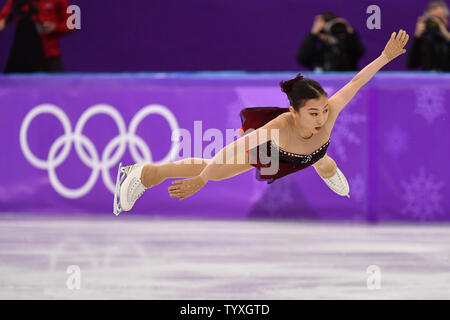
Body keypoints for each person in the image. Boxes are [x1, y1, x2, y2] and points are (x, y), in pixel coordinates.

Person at [112, 29, 409, 215]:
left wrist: (384, 56)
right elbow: (231, 150)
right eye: (313, 113)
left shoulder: (329, 111)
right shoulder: (276, 128)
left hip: (311, 152)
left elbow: (356, 82)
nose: (322, 118)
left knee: (321, 159)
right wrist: (202, 178)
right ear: (294, 112)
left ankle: (326, 169)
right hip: (274, 153)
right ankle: (144, 173)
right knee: (214, 172)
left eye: (323, 111)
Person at [0, 0, 74, 73]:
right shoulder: (16, 1)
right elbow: (2, 21)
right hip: (22, 57)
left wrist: (55, 27)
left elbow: (72, 25)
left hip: (49, 57)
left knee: (56, 84)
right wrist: (9, 17)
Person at [296, 12, 365, 71]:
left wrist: (349, 31)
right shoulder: (318, 51)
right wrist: (313, 34)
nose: (328, 35)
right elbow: (302, 58)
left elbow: (359, 51)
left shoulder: (347, 47)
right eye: (323, 31)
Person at [407, 1, 450, 71]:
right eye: (432, 19)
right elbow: (410, 64)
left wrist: (445, 33)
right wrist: (417, 37)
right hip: (429, 80)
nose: (436, 22)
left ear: (446, 19)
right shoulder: (424, 39)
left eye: (439, 19)